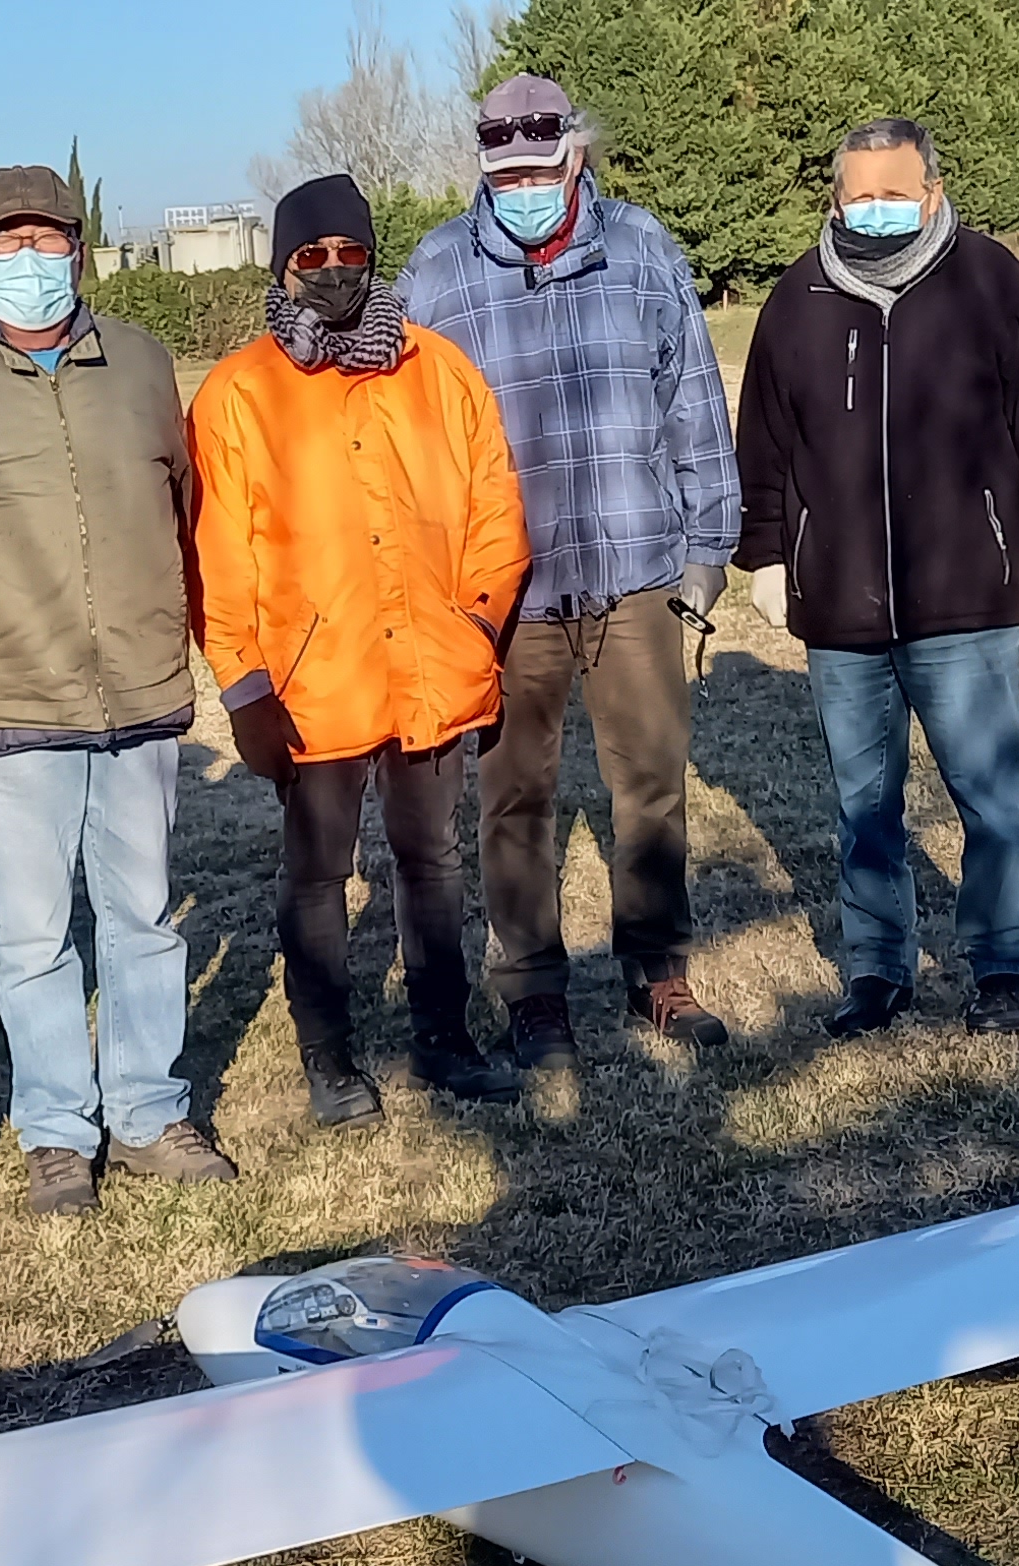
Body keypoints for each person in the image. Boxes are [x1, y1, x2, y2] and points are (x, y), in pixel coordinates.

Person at [0, 164, 241, 1214]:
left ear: (81, 248)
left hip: (140, 690)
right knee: (33, 935)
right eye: (8, 244)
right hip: (10, 698)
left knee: (145, 917)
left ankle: (152, 1112)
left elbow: (185, 504)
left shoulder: (142, 364)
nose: (31, 262)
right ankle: (55, 1134)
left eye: (49, 241)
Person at [398, 74, 741, 1111]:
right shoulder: (437, 274)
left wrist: (706, 547)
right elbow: (409, 442)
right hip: (506, 596)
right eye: (504, 175)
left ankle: (656, 973)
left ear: (575, 161)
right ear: (483, 172)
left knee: (649, 788)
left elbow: (693, 400)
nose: (524, 189)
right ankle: (534, 993)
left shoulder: (642, 252)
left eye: (541, 171)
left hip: (636, 571)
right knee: (515, 801)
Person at [734, 119, 1019, 1041]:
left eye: (896, 194)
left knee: (992, 796)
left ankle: (1004, 961)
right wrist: (769, 554)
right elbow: (764, 446)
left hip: (966, 595)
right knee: (865, 808)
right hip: (840, 608)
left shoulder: (989, 280)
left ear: (932, 193)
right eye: (861, 195)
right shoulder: (797, 299)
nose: (877, 210)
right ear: (835, 198)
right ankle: (875, 970)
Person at [192, 174, 532, 1126]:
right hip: (312, 681)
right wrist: (246, 686)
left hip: (430, 661)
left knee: (433, 861)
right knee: (316, 872)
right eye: (313, 257)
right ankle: (330, 1058)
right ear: (282, 267)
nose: (334, 272)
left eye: (351, 254)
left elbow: (494, 505)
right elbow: (218, 554)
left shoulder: (438, 368)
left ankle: (444, 1038)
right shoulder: (238, 393)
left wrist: (473, 619)